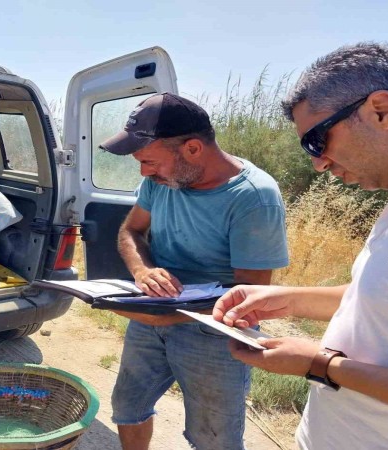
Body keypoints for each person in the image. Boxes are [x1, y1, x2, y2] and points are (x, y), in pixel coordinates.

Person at [213, 42, 388, 449]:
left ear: (382, 110)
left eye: (317, 140)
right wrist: (287, 299)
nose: (318, 163)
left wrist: (322, 365)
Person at [99, 92, 289, 450]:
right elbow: (130, 231)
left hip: (214, 332)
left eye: (149, 161)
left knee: (213, 436)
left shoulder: (253, 197)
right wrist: (143, 271)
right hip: (152, 315)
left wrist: (168, 315)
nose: (144, 172)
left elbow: (250, 297)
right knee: (128, 406)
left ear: (192, 149)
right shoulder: (158, 183)